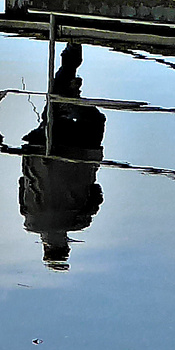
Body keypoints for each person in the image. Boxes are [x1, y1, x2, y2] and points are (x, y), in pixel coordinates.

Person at [17, 42, 106, 270]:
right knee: (52, 116)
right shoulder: (28, 219)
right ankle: (68, 91)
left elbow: (97, 193)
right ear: (45, 246)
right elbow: (20, 184)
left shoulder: (80, 221)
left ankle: (69, 95)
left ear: (65, 246)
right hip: (37, 149)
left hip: (77, 149)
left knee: (95, 122)